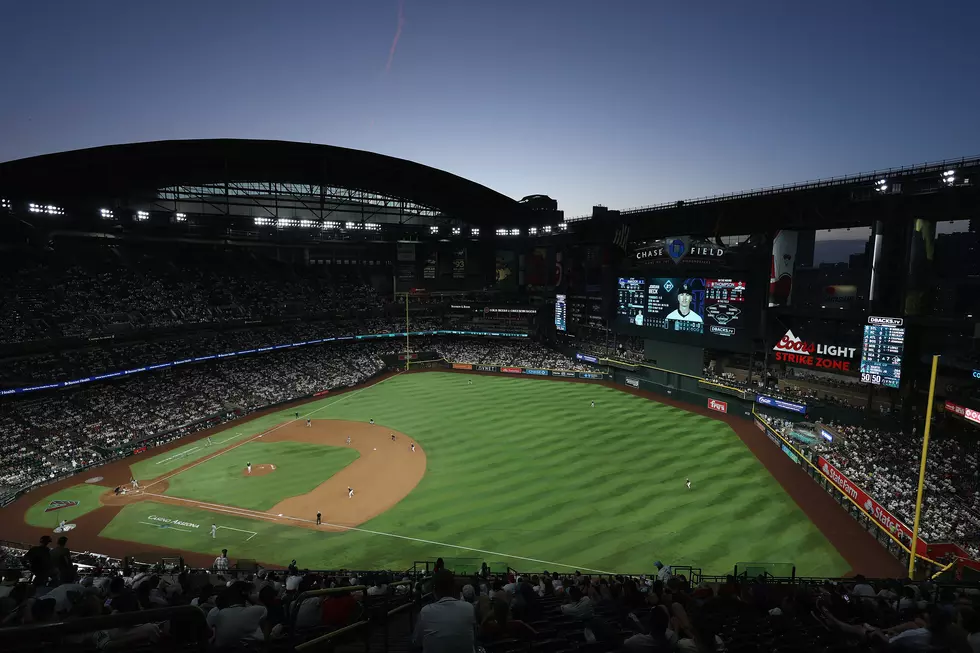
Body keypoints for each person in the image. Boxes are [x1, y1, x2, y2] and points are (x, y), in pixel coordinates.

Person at [412, 569, 476, 653]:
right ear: (453, 587)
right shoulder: (469, 608)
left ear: (434, 589)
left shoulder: (425, 611)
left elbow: (416, 642)